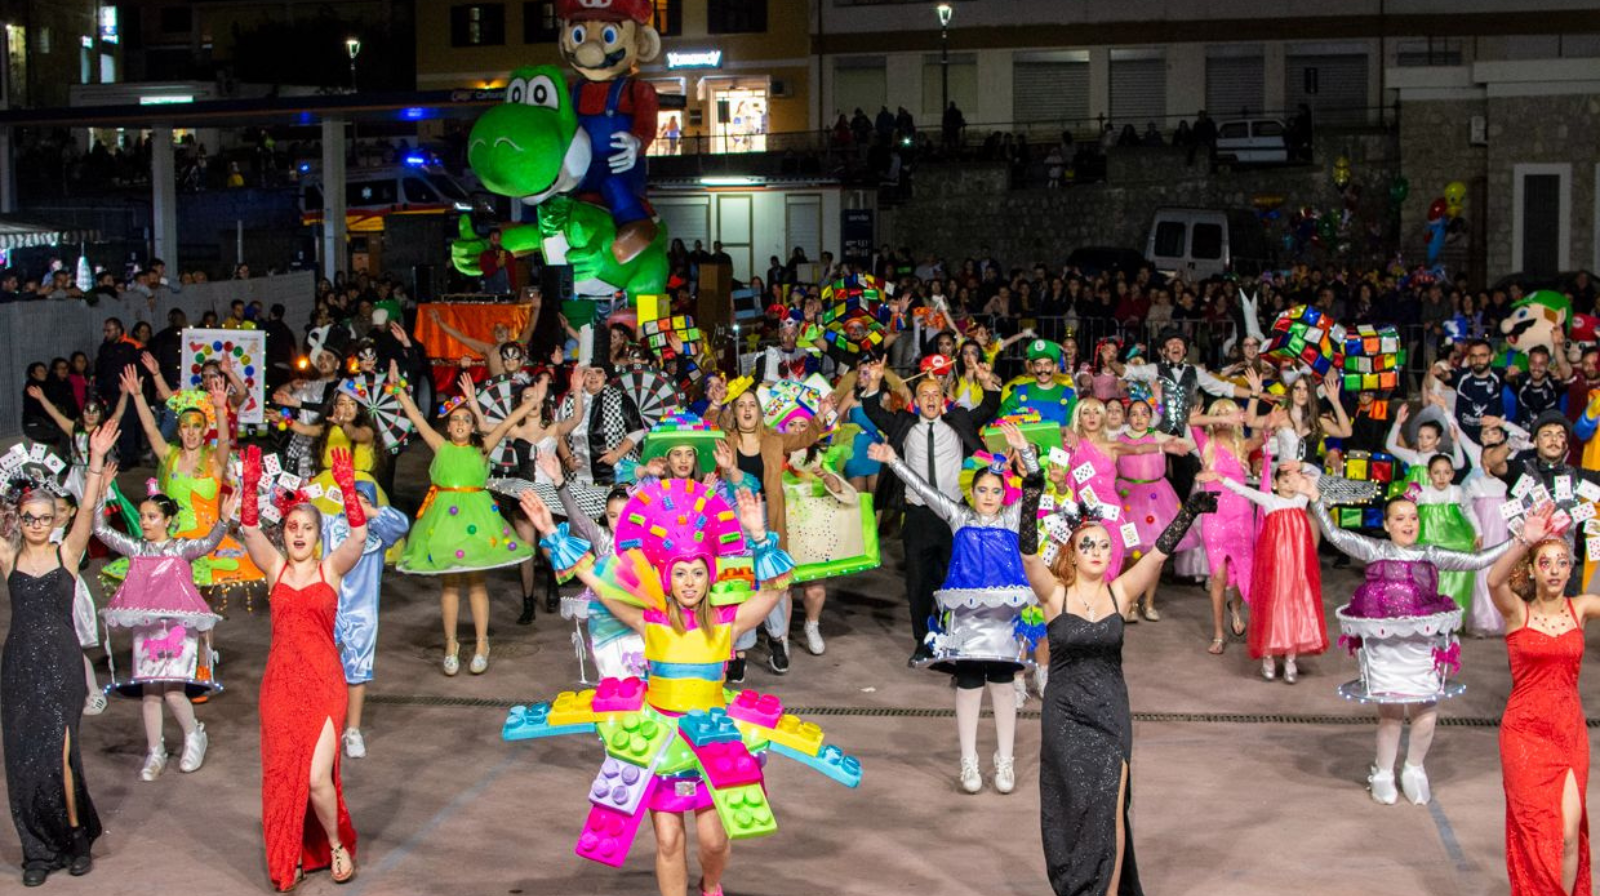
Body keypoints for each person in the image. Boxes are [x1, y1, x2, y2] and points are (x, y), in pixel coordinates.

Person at [519, 480, 853, 896]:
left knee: (714, 841)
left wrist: (759, 535)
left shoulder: (729, 621)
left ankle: (711, 884)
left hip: (713, 742)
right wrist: (550, 531)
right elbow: (600, 583)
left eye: (697, 572)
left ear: (708, 575)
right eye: (680, 573)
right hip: (660, 743)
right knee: (668, 840)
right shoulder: (650, 621)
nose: (689, 582)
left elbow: (776, 588)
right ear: (667, 577)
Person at [1020, 468, 1213, 896]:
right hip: (1065, 715)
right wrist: (1031, 497)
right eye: (1087, 544)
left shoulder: (1121, 592)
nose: (1097, 550)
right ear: (1072, 550)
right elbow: (1030, 558)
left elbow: (1159, 554)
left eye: (1104, 545)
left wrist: (1191, 512)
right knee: (1073, 809)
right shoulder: (1055, 595)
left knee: (1110, 806)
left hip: (1110, 713)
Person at [1311, 488, 1511, 806]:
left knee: (1427, 713)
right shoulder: (1374, 548)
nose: (1408, 524)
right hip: (1386, 647)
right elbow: (1334, 534)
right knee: (1390, 715)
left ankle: (1414, 768)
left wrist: (1522, 540)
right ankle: (1384, 772)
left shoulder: (1429, 553)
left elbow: (1478, 560)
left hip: (1422, 645)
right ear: (1387, 525)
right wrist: (1315, 500)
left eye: (1413, 518)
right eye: (1400, 518)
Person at [873, 421, 1039, 793]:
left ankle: (1005, 761)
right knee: (968, 684)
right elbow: (924, 489)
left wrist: (1025, 450)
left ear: (1003, 493)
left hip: (1003, 620)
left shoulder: (1013, 519)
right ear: (972, 491)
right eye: (982, 490)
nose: (989, 496)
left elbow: (1036, 485)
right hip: (966, 619)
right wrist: (893, 461)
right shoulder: (958, 516)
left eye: (996, 490)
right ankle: (969, 762)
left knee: (1002, 684)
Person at [237, 447, 368, 890]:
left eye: (307, 527)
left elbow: (359, 539)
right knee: (281, 778)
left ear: (318, 534)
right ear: (285, 532)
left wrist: (348, 490)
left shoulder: (330, 570)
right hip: (279, 688)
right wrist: (250, 486)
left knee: (315, 778)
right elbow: (249, 528)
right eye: (293, 527)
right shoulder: (273, 569)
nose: (299, 534)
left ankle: (334, 844)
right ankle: (289, 850)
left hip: (325, 684)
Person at [0, 428, 111, 886]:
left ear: (54, 520)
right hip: (19, 667)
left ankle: (75, 839)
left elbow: (86, 508)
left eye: (46, 517)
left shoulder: (68, 553)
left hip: (61, 667)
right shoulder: (8, 557)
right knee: (24, 760)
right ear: (19, 518)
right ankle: (36, 851)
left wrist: (96, 460)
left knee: (61, 757)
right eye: (31, 518)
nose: (39, 525)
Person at [391, 360, 537, 675]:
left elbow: (507, 420)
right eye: (455, 419)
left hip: (476, 518)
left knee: (476, 582)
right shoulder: (440, 446)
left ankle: (483, 642)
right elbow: (417, 418)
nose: (459, 424)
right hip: (444, 520)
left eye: (465, 420)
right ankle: (450, 643)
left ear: (472, 427)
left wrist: (533, 401)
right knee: (449, 584)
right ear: (448, 426)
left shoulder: (482, 449)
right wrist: (399, 391)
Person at [94, 464, 234, 781]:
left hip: (177, 628)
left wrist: (224, 520)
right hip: (148, 627)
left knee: (173, 692)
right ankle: (155, 750)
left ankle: (193, 734)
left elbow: (208, 543)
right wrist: (101, 496)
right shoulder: (136, 548)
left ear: (168, 520)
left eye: (152, 517)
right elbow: (102, 532)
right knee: (150, 693)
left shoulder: (181, 548)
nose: (145, 522)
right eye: (143, 517)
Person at [861, 361, 1002, 665]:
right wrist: (874, 382)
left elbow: (990, 406)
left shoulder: (959, 420)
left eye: (935, 394)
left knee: (956, 580)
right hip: (918, 516)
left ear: (943, 399)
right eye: (924, 394)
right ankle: (924, 641)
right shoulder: (904, 423)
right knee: (919, 582)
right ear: (916, 399)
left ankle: (957, 640)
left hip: (954, 516)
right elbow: (873, 411)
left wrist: (986, 380)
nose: (929, 399)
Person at [1485, 506, 1593, 896]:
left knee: (1567, 833)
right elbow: (1494, 581)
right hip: (1524, 735)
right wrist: (1523, 541)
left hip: (1568, 733)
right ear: (1532, 570)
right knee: (1534, 831)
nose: (1554, 569)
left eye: (1562, 562)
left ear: (1569, 570)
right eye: (1545, 562)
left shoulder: (1579, 609)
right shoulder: (1518, 613)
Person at [1206, 465, 1325, 682]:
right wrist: (1221, 478)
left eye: (1295, 480)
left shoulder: (1301, 500)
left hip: (1296, 570)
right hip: (1274, 569)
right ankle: (1268, 657)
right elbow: (1243, 490)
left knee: (1294, 609)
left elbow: (1315, 473)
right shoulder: (1270, 500)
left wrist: (1299, 466)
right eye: (1286, 481)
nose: (1291, 485)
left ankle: (1290, 659)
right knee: (1272, 609)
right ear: (1276, 484)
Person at [322, 481, 409, 760]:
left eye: (363, 497)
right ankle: (323, 727)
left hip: (363, 612)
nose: (357, 501)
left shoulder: (380, 532)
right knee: (322, 668)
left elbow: (402, 524)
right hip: (328, 608)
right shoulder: (329, 525)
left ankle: (353, 730)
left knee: (357, 672)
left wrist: (371, 512)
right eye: (352, 496)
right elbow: (299, 514)